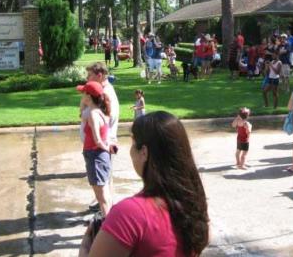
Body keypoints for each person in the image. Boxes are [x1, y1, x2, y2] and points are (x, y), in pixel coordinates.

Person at [81, 112, 210, 257]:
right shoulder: (192, 202)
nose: (130, 151)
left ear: (144, 152)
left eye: (133, 143)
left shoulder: (129, 214)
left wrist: (85, 249)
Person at [77, 81, 112, 216]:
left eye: (84, 93)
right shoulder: (100, 111)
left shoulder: (93, 114)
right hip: (99, 156)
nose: (82, 96)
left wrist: (106, 149)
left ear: (89, 97)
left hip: (95, 156)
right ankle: (108, 223)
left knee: (102, 198)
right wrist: (107, 149)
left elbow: (97, 140)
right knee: (105, 195)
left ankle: (107, 227)